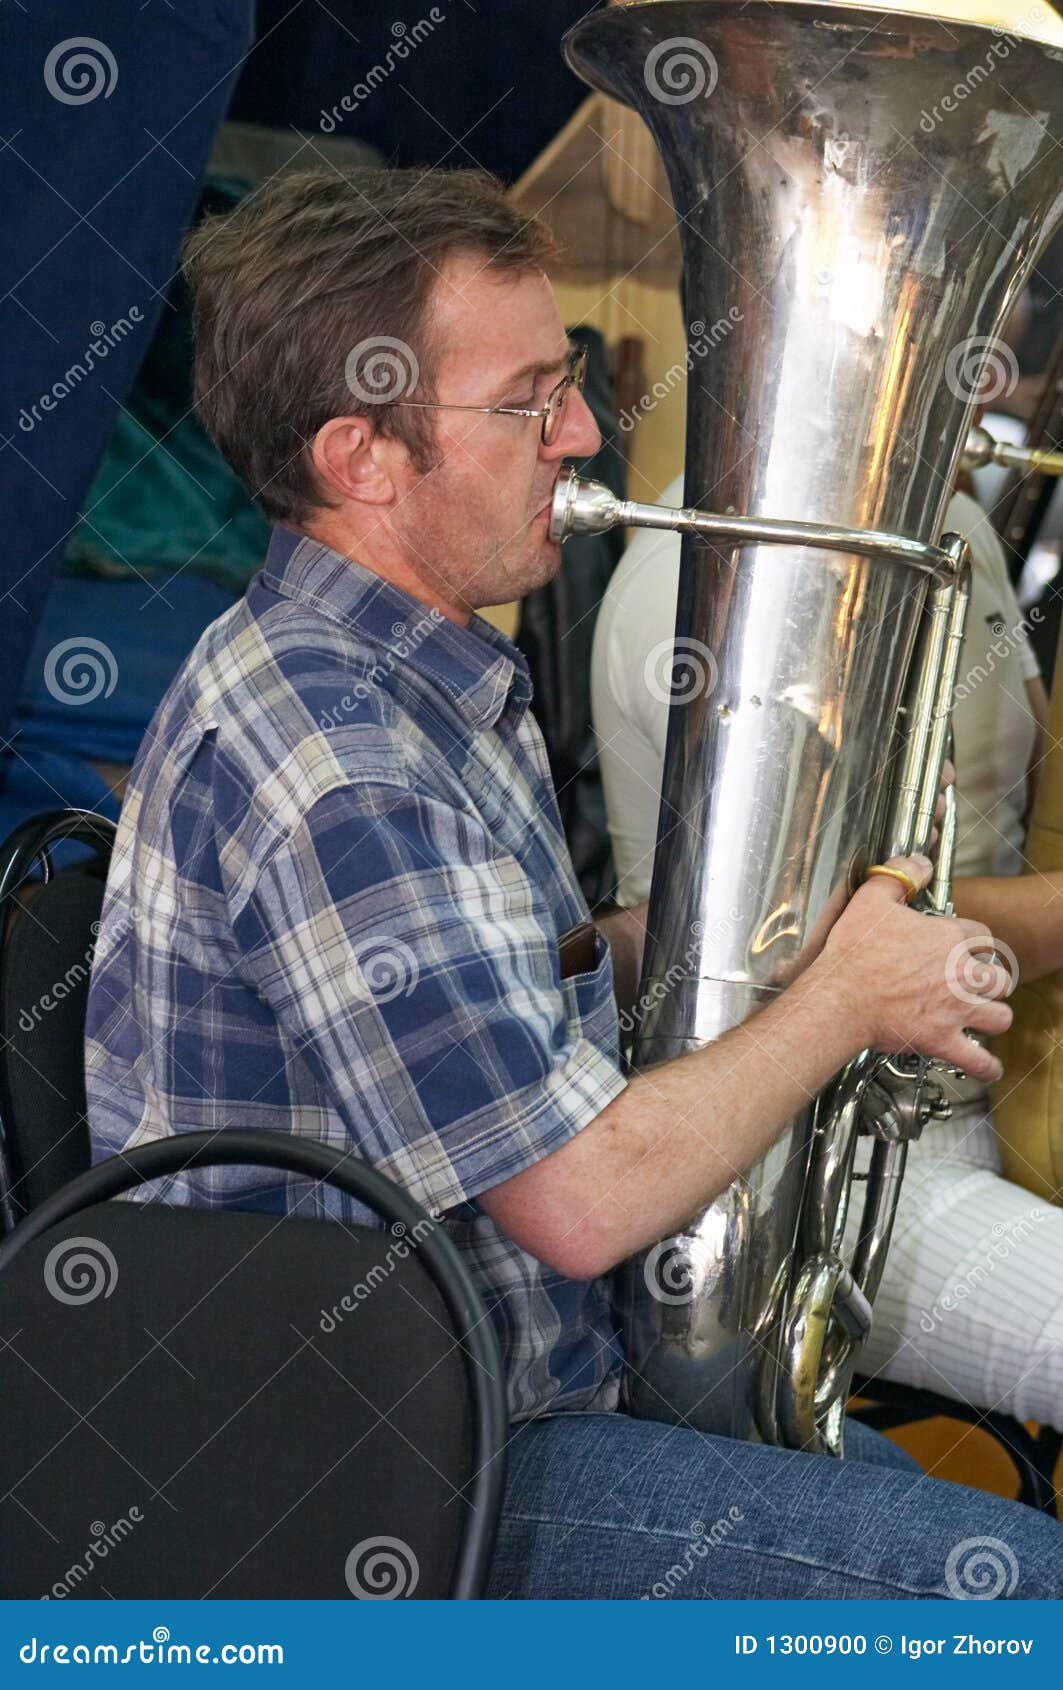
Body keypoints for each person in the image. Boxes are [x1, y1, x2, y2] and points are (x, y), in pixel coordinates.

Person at [85, 168, 1063, 1599]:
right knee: (1011, 1588)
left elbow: (493, 996)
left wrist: (719, 937)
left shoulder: (397, 677)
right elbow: (579, 1199)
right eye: (530, 398)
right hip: (394, 1461)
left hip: (493, 1383)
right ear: (363, 456)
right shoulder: (339, 755)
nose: (586, 434)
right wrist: (844, 995)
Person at [592, 468, 1063, 1431]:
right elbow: (803, 928)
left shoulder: (953, 516)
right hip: (807, 1162)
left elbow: (1031, 787)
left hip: (990, 1083)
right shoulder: (699, 573)